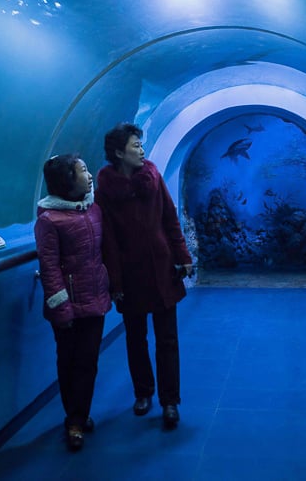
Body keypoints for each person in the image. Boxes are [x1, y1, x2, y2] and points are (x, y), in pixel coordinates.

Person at [94, 123, 194, 429]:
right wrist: (115, 281)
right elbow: (108, 238)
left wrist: (183, 256)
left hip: (162, 268)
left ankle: (170, 401)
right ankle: (143, 393)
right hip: (129, 272)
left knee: (167, 338)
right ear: (118, 152)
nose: (141, 150)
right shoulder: (106, 190)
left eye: (141, 144)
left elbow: (169, 218)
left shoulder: (152, 177)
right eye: (135, 145)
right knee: (135, 338)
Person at [34, 154, 113, 451]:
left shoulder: (93, 211)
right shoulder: (49, 220)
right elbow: (50, 267)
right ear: (67, 180)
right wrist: (61, 307)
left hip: (94, 298)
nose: (89, 175)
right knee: (69, 362)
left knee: (88, 362)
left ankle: (80, 413)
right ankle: (74, 419)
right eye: (82, 171)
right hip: (66, 305)